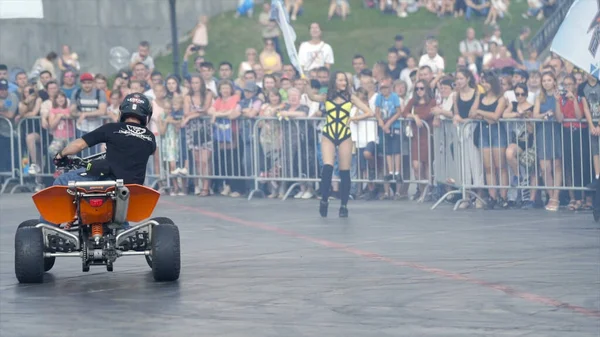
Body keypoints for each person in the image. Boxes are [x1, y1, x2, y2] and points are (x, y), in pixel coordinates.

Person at [304, 71, 374, 218]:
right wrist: (307, 85)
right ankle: (324, 200)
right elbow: (311, 97)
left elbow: (369, 112)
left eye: (345, 81)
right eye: (341, 80)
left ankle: (343, 205)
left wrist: (354, 118)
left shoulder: (351, 97)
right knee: (327, 168)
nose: (344, 83)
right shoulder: (326, 96)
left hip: (344, 135)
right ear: (334, 82)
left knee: (344, 172)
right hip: (328, 134)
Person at [52, 93, 156, 187]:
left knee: (61, 181)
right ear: (147, 114)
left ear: (122, 110)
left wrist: (60, 154)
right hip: (134, 186)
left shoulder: (111, 128)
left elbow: (79, 145)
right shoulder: (150, 137)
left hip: (109, 180)